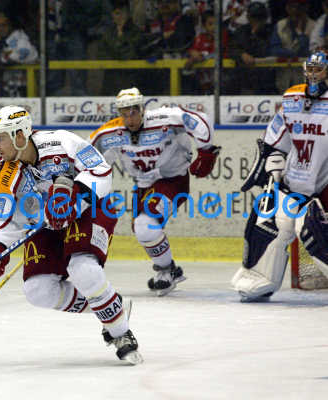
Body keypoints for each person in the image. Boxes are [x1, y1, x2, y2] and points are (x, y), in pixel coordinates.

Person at [0, 105, 143, 364]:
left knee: (83, 269)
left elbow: (100, 170)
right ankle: (112, 305)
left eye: (1, 138)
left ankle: (120, 332)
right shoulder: (0, 175)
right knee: (38, 290)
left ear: (20, 135)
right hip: (46, 224)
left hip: (89, 209)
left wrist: (75, 195)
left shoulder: (62, 142)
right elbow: (3, 219)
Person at [90, 88, 219, 296]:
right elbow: (89, 159)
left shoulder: (165, 118)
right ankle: (169, 270)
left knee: (146, 225)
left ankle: (167, 271)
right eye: (124, 113)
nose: (129, 118)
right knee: (141, 229)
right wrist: (82, 187)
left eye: (133, 112)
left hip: (173, 180)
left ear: (142, 109)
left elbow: (200, 120)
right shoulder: (110, 133)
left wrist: (206, 151)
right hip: (143, 185)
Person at [232, 51, 328, 302]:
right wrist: (271, 171)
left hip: (322, 190)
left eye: (319, 70)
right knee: (266, 222)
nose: (313, 75)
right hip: (291, 184)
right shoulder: (293, 99)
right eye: (310, 69)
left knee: (312, 230)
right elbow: (274, 143)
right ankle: (260, 277)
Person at [0, 11, 38, 97]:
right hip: (0, 88)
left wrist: (4, 56)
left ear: (9, 26)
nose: (1, 29)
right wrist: (0, 45)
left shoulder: (20, 37)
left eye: (4, 25)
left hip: (20, 86)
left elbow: (27, 56)